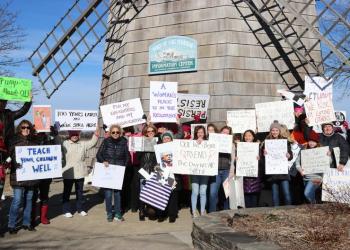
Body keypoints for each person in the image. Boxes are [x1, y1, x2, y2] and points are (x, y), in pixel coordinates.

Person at [8, 120, 39, 233]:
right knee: (17, 200)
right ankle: (12, 224)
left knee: (29, 199)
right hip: (18, 176)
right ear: (19, 129)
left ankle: (27, 223)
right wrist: (13, 163)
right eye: (23, 127)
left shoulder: (35, 141)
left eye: (28, 127)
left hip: (31, 177)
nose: (26, 129)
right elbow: (9, 155)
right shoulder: (14, 140)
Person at [62, 129, 99, 218]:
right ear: (69, 134)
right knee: (67, 192)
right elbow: (56, 141)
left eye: (76, 134)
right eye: (72, 134)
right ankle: (66, 210)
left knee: (79, 192)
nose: (74, 136)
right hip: (68, 172)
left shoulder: (83, 143)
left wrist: (96, 133)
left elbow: (93, 142)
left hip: (80, 172)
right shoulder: (64, 143)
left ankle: (80, 209)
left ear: (79, 134)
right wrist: (56, 129)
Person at [96, 124, 129, 222]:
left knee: (118, 194)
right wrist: (103, 161)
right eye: (113, 132)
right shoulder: (106, 141)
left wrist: (124, 166)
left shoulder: (124, 142)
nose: (115, 134)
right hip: (108, 170)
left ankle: (118, 214)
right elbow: (99, 154)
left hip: (118, 170)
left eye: (117, 132)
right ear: (110, 133)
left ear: (120, 133)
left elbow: (127, 157)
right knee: (108, 193)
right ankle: (109, 213)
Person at [31, 126, 61, 226]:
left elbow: (58, 146)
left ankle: (43, 217)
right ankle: (32, 218)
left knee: (44, 196)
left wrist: (55, 134)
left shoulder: (49, 138)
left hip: (46, 174)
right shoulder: (31, 138)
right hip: (34, 174)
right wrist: (32, 131)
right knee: (33, 196)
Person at [263, 121, 293, 206]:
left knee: (286, 193)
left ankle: (289, 210)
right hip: (272, 172)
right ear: (270, 131)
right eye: (273, 130)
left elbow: (290, 156)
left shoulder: (284, 141)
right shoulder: (266, 142)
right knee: (275, 195)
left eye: (276, 130)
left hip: (283, 172)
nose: (274, 132)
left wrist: (288, 155)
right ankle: (276, 212)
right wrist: (264, 154)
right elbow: (263, 159)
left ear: (279, 131)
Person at [209, 126, 235, 212]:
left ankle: (226, 211)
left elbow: (233, 159)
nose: (225, 134)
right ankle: (212, 212)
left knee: (226, 193)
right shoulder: (213, 142)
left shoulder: (232, 145)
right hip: (215, 171)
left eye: (227, 133)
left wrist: (231, 172)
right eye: (224, 132)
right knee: (213, 193)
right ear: (220, 133)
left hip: (226, 171)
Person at [157, 131, 182, 223]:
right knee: (161, 194)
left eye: (168, 138)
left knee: (173, 195)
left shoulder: (177, 149)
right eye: (164, 138)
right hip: (162, 174)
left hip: (174, 175)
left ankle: (172, 215)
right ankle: (161, 214)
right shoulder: (158, 148)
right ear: (162, 140)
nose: (166, 140)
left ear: (171, 139)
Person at [296, 133, 328, 203]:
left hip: (317, 177)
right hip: (306, 177)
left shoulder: (322, 151)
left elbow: (329, 162)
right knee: (311, 194)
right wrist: (300, 170)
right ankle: (314, 208)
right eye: (310, 141)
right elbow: (297, 163)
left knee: (306, 193)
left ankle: (314, 205)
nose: (311, 143)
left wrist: (328, 155)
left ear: (317, 142)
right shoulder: (303, 150)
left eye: (314, 141)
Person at [137, 124, 158, 221]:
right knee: (143, 192)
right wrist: (143, 144)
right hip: (143, 171)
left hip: (153, 172)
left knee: (152, 193)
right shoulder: (142, 142)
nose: (150, 133)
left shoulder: (158, 143)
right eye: (148, 132)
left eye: (152, 131)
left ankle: (150, 210)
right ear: (146, 133)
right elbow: (137, 157)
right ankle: (141, 211)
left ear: (154, 132)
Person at [191, 125, 209, 217]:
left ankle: (202, 211)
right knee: (195, 191)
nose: (200, 134)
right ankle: (194, 211)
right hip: (194, 171)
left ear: (204, 133)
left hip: (205, 171)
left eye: (201, 132)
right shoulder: (191, 142)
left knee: (203, 192)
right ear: (195, 133)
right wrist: (193, 143)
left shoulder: (209, 143)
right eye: (198, 132)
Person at [241, 130, 262, 208]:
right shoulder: (240, 147)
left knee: (254, 200)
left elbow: (262, 164)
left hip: (254, 177)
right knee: (246, 200)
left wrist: (259, 159)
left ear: (253, 137)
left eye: (249, 135)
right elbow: (237, 164)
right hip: (244, 177)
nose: (247, 137)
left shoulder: (257, 147)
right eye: (246, 135)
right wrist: (237, 159)